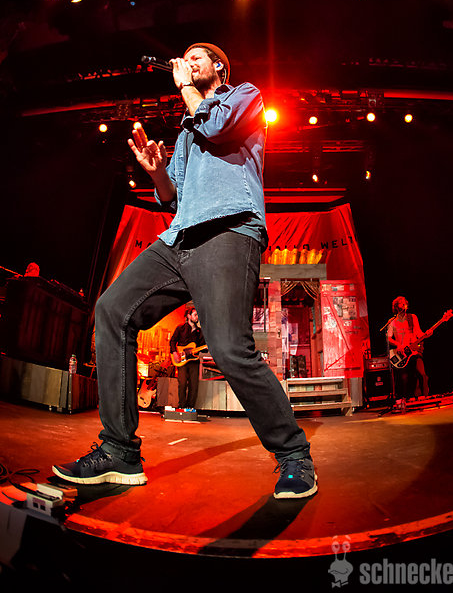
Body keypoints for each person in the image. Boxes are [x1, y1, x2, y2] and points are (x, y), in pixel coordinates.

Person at [52, 42, 317, 498]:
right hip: (180, 237)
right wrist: (157, 172)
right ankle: (119, 451)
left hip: (228, 227)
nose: (187, 63)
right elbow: (172, 196)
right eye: (185, 58)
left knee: (229, 349)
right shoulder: (187, 130)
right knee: (112, 311)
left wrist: (187, 91)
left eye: (197, 58)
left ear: (219, 67)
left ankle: (294, 455)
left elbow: (218, 126)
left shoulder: (243, 97)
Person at [387, 296, 429, 410]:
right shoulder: (392, 322)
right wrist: (398, 345)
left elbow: (418, 332)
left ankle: (424, 398)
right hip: (402, 354)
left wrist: (426, 334)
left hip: (414, 350)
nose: (404, 304)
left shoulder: (412, 317)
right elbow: (389, 338)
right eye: (401, 303)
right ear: (396, 307)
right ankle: (406, 399)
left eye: (405, 302)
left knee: (422, 374)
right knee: (404, 378)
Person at [169, 305, 206, 409]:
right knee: (182, 383)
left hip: (194, 361)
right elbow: (172, 341)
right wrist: (174, 353)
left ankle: (190, 408)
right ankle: (181, 406)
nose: (197, 317)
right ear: (189, 316)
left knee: (194, 385)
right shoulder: (180, 328)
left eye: (197, 315)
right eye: (195, 315)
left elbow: (203, 348)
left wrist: (205, 348)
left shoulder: (200, 332)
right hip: (181, 360)